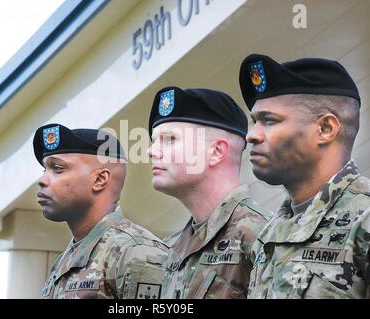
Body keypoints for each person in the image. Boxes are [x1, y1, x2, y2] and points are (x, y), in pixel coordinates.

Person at [239, 53, 370, 298]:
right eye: (254, 121)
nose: (251, 135)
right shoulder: (269, 233)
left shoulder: (369, 219)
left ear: (325, 129)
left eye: (269, 121)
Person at [147, 86, 270, 298]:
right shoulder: (173, 250)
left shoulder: (260, 235)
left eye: (170, 139)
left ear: (216, 151)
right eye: (154, 140)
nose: (151, 151)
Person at [34, 123, 168, 299]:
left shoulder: (137, 253)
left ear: (100, 179)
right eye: (45, 169)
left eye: (58, 169)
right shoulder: (69, 257)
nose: (42, 180)